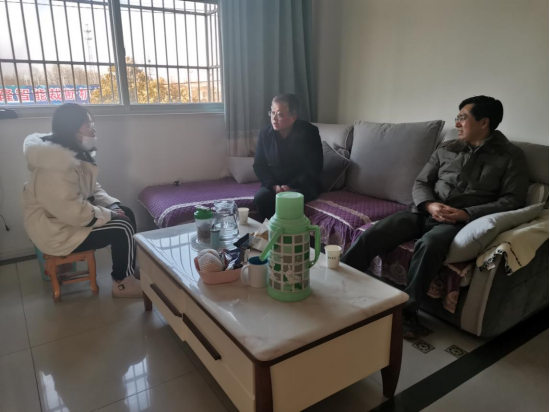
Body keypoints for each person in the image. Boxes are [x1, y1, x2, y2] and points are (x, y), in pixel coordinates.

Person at [341, 96, 529, 338]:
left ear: (484, 122)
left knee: (429, 245)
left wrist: (466, 213)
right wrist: (429, 205)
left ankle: (407, 312)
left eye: (462, 117)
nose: (457, 123)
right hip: (423, 211)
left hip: (458, 221)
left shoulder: (511, 156)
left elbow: (513, 200)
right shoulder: (447, 148)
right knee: (375, 233)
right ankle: (337, 282)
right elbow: (421, 182)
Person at [23, 104, 142, 298]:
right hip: (56, 231)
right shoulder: (54, 168)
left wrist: (112, 206)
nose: (93, 129)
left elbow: (92, 187)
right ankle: (122, 284)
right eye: (88, 124)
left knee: (126, 212)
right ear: (72, 128)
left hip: (64, 220)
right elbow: (73, 210)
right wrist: (109, 215)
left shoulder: (69, 152)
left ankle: (126, 269)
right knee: (122, 227)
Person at [253, 94, 324, 220]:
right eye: (272, 112)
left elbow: (315, 166)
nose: (274, 118)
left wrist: (291, 185)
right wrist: (274, 185)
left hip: (302, 184)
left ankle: (289, 230)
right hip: (275, 184)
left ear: (293, 117)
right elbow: (259, 165)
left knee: (289, 200)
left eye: (280, 115)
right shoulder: (265, 134)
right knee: (261, 198)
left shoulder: (309, 132)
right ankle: (272, 228)